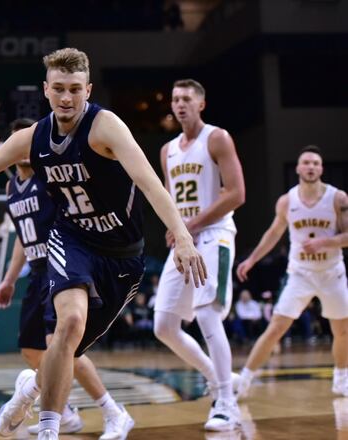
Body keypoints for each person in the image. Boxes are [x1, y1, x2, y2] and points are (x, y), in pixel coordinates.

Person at [0, 48, 206, 440]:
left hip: (122, 255)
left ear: (88, 90)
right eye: (59, 89)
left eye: (74, 89)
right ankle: (49, 429)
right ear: (46, 90)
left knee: (68, 348)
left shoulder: (106, 127)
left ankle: (28, 391)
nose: (66, 97)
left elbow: (150, 183)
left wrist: (183, 236)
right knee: (68, 324)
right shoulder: (31, 138)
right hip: (72, 240)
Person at [0, 118, 133, 439]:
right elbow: (21, 238)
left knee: (62, 349)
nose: (23, 150)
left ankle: (113, 411)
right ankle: (66, 414)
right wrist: (10, 279)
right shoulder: (12, 188)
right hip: (37, 271)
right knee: (32, 351)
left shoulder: (49, 178)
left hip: (63, 267)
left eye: (28, 143)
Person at [151, 79, 246, 431]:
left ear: (201, 104)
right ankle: (220, 377)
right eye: (176, 99)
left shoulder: (217, 138)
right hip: (186, 238)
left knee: (207, 314)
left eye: (187, 99)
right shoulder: (167, 150)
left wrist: (189, 224)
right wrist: (175, 226)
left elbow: (236, 193)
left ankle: (227, 404)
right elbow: (169, 197)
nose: (180, 104)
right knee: (164, 325)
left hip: (215, 234)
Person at [235, 145, 348, 398]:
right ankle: (244, 380)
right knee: (276, 328)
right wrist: (251, 259)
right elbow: (273, 233)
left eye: (315, 163)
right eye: (306, 162)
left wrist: (325, 242)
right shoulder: (287, 201)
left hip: (331, 273)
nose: (311, 167)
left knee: (342, 330)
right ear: (298, 168)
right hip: (300, 274)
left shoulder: (338, 198)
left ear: (321, 168)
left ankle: (342, 379)